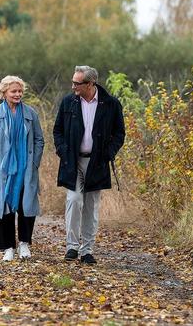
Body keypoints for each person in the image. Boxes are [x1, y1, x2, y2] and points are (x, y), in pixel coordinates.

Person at [53, 65, 125, 265]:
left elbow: (119, 133)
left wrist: (107, 154)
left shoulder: (111, 104)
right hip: (73, 161)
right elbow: (57, 130)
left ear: (91, 83)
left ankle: (87, 251)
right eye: (73, 81)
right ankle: (72, 247)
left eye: (77, 83)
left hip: (97, 162)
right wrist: (62, 150)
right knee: (75, 200)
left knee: (91, 207)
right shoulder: (68, 102)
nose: (73, 86)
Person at [0, 75, 44, 261]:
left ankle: (24, 244)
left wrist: (34, 163)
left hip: (26, 169)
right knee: (4, 209)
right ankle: (8, 247)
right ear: (4, 93)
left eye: (20, 91)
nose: (18, 94)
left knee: (26, 207)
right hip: (2, 171)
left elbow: (39, 139)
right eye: (13, 91)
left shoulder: (30, 114)